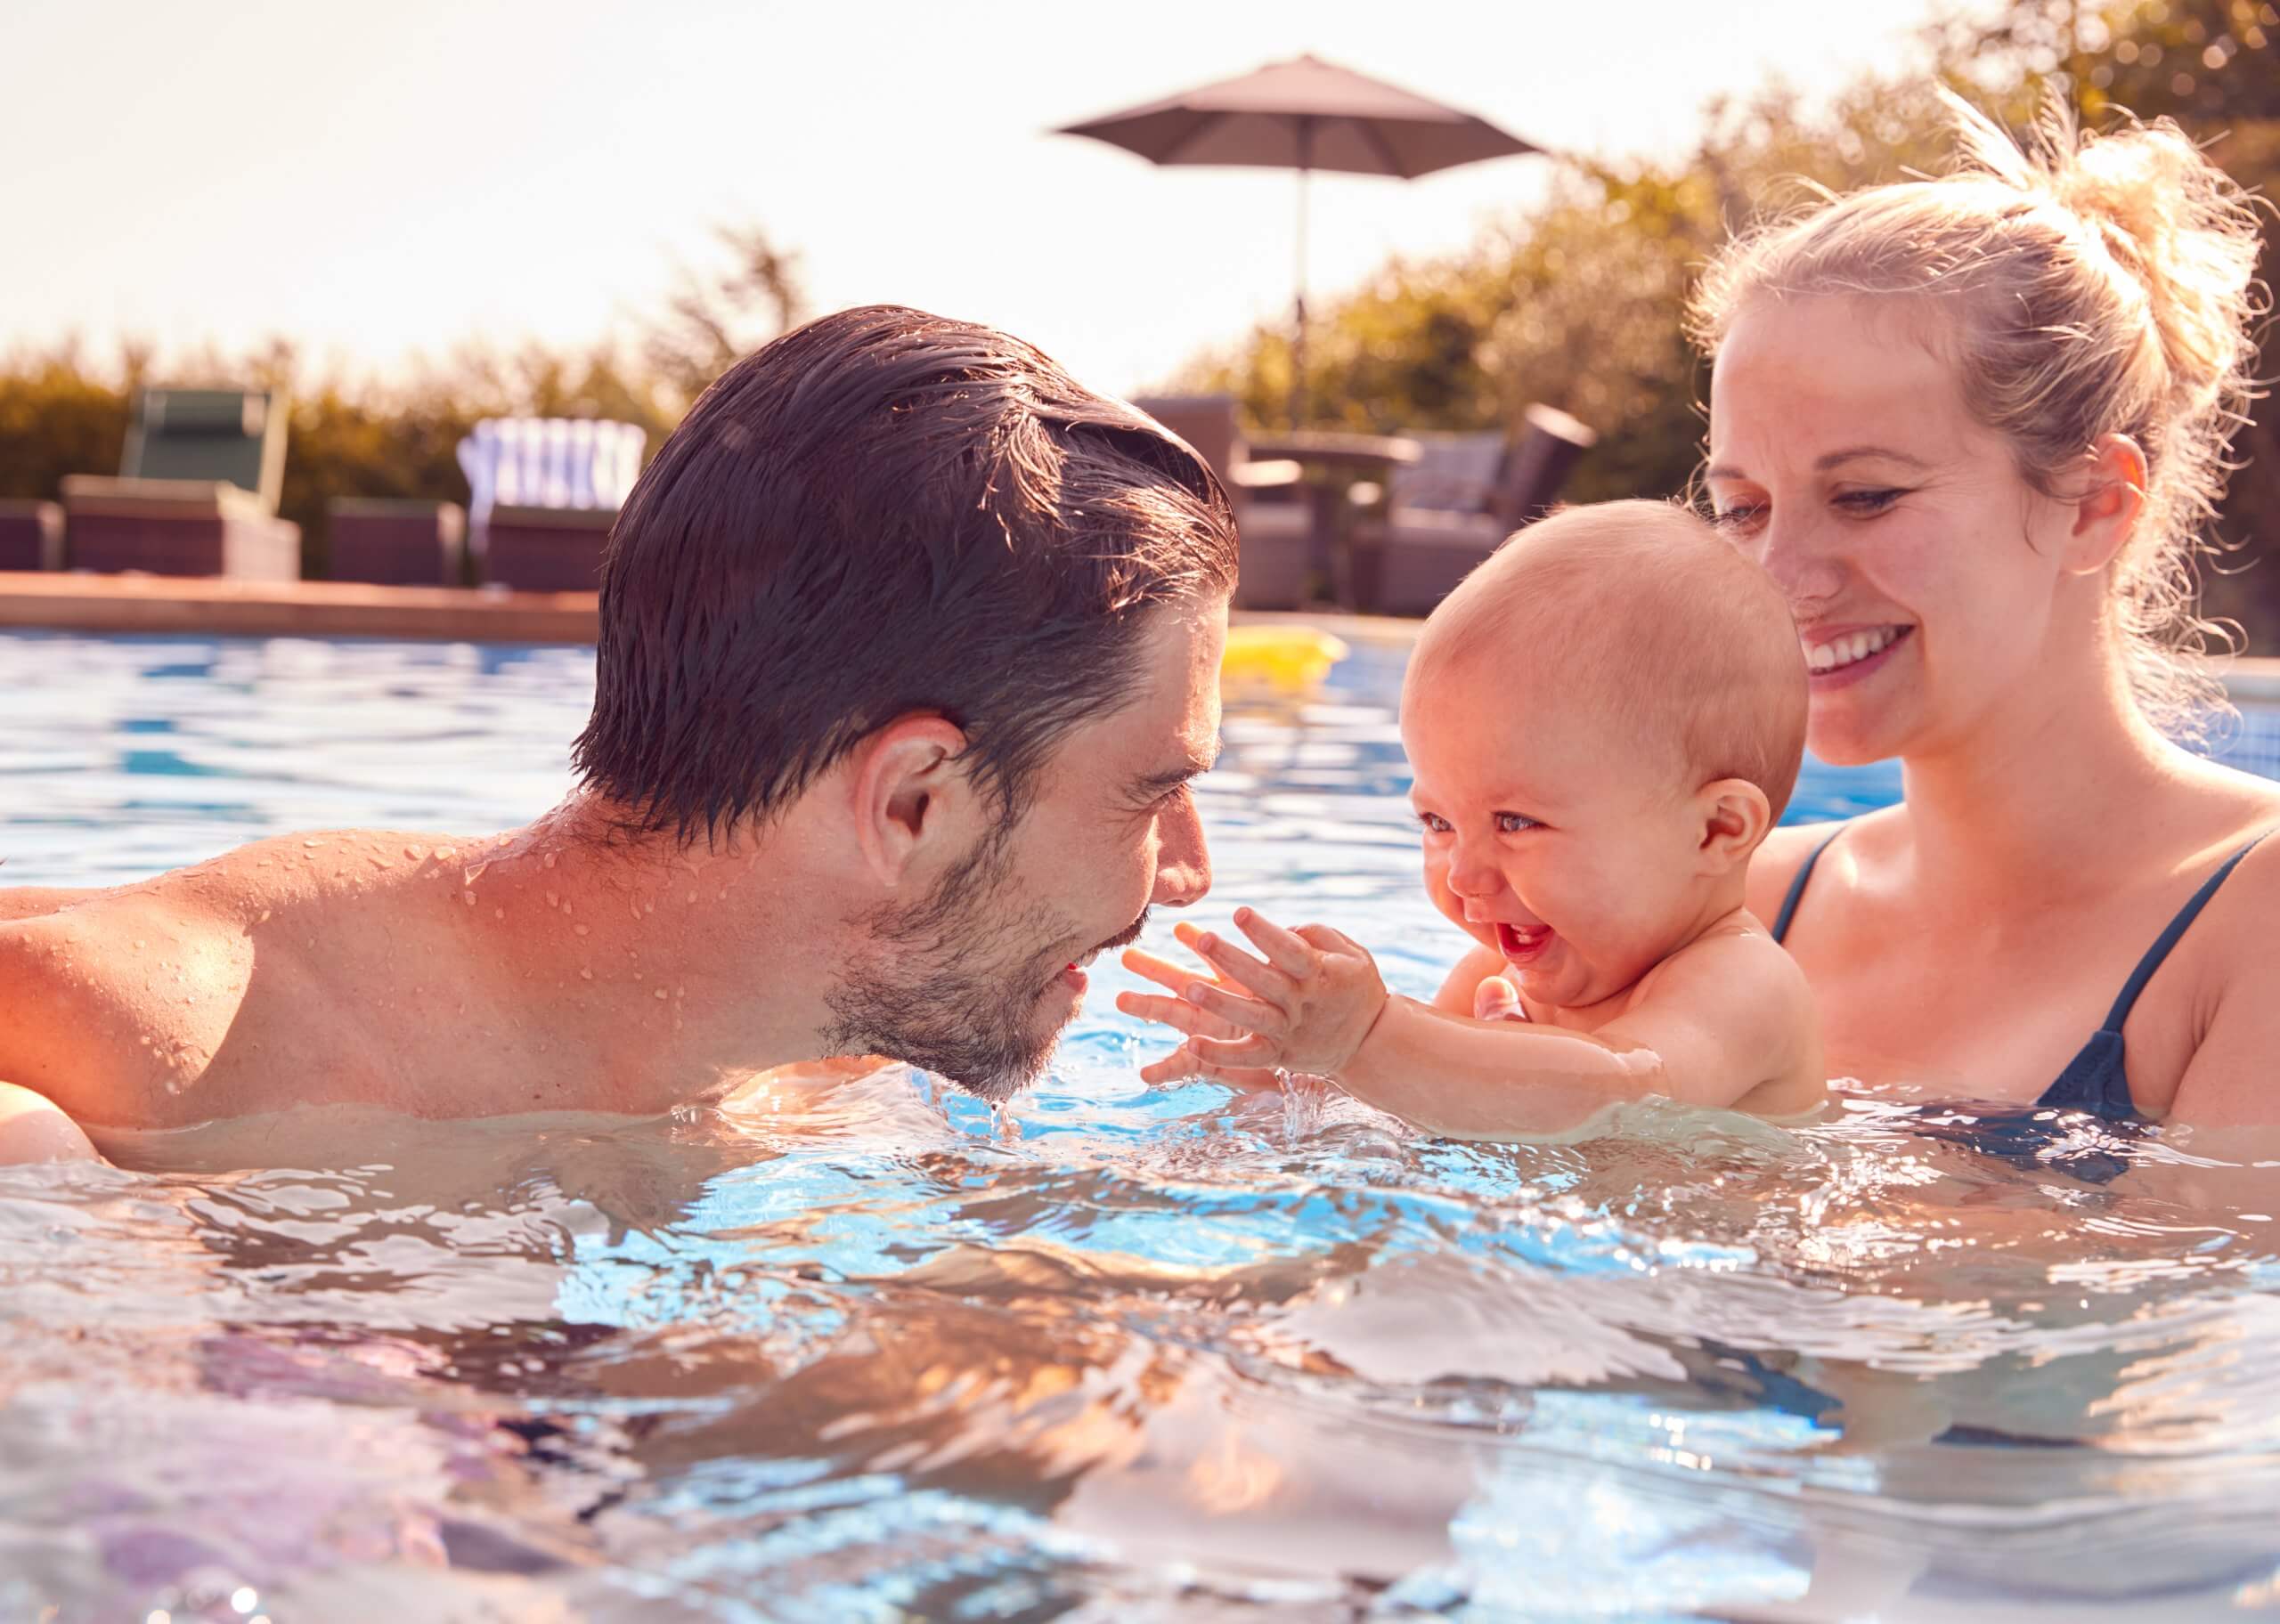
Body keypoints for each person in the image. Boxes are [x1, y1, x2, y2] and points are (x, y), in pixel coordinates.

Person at [0, 305, 1237, 1164]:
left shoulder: (822, 1062)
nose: (1189, 872)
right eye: (1150, 791)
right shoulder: (114, 1066)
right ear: (913, 801)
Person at [1675, 90, 2280, 1136]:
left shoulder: (2249, 919)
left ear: (2098, 504)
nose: (1779, 574)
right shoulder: (1736, 904)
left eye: (1865, 495)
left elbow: (2185, 1288)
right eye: (1742, 509)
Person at [1119, 501, 1824, 1138]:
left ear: (1717, 831)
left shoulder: (1742, 985)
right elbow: (1406, 1111)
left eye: (1516, 823)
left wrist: (1367, 1039)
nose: (1463, 873)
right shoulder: (1495, 971)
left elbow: (1623, 1091)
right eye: (1437, 820)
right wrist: (1287, 1074)